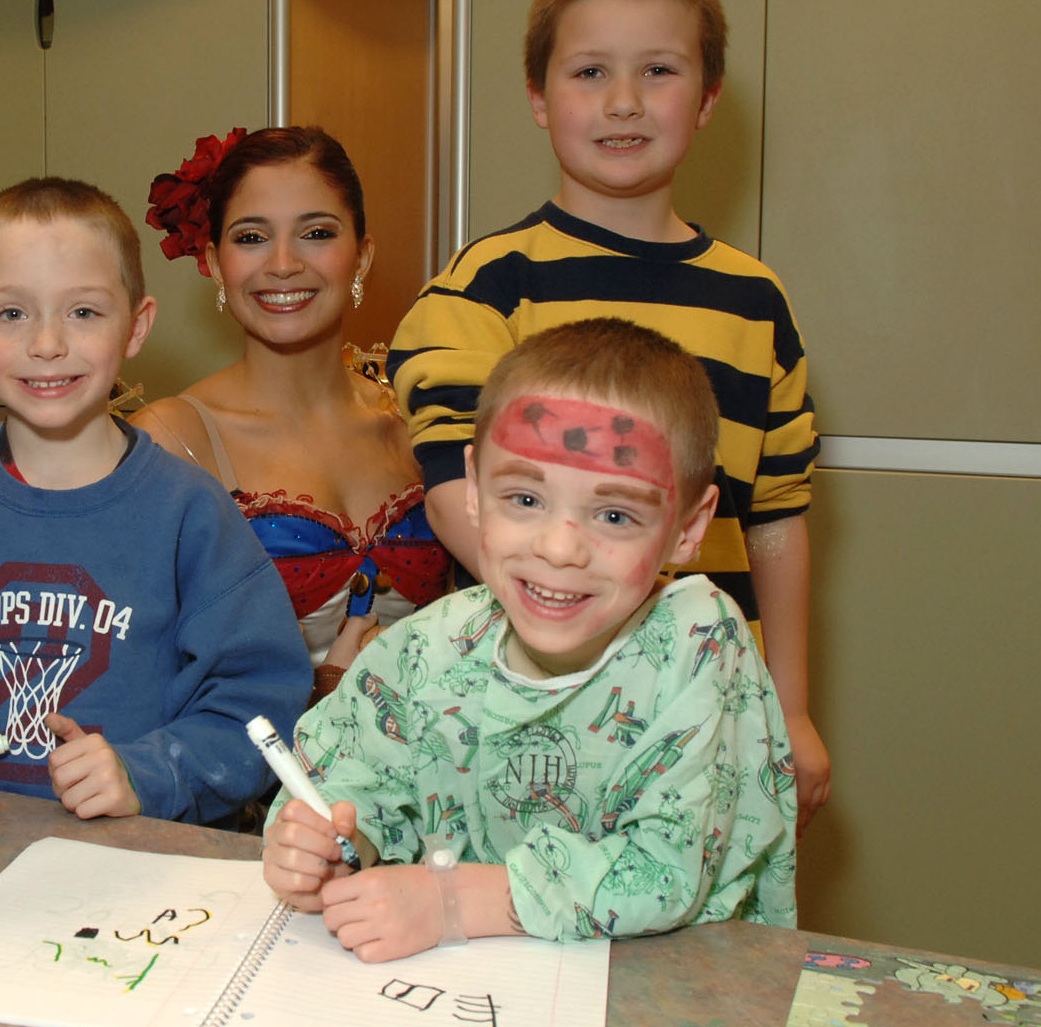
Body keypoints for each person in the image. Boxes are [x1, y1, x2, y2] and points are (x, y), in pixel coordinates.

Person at [386, 0, 829, 830]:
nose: (622, 102)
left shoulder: (757, 299)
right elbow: (454, 500)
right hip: (530, 723)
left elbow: (777, 519)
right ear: (538, 98)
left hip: (710, 720)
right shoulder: (485, 286)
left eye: (657, 71)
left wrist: (792, 705)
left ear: (705, 100)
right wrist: (595, 645)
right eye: (589, 71)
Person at [263, 318, 796, 961]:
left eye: (615, 514)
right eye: (524, 498)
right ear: (476, 489)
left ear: (689, 526)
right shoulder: (422, 650)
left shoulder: (700, 643)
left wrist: (452, 902)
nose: (558, 548)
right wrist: (329, 849)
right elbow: (346, 785)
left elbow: (666, 871)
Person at [0, 178, 310, 824]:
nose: (47, 344)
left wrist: (149, 773)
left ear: (136, 326)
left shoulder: (191, 515)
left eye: (84, 312)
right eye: (11, 313)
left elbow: (261, 704)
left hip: (139, 871)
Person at [133, 127, 450, 707]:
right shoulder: (172, 440)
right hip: (253, 788)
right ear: (214, 261)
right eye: (252, 236)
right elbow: (136, 676)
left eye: (317, 233)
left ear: (363, 255)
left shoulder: (419, 424)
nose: (282, 264)